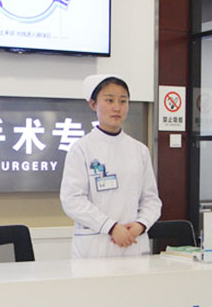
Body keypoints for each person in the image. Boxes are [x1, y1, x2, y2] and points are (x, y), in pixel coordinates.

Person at [60, 74, 162, 258]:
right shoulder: (81, 149)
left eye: (123, 101)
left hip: (133, 243)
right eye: (109, 100)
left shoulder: (139, 150)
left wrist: (141, 225)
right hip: (95, 246)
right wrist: (111, 227)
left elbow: (151, 200)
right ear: (93, 104)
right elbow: (72, 200)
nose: (117, 107)